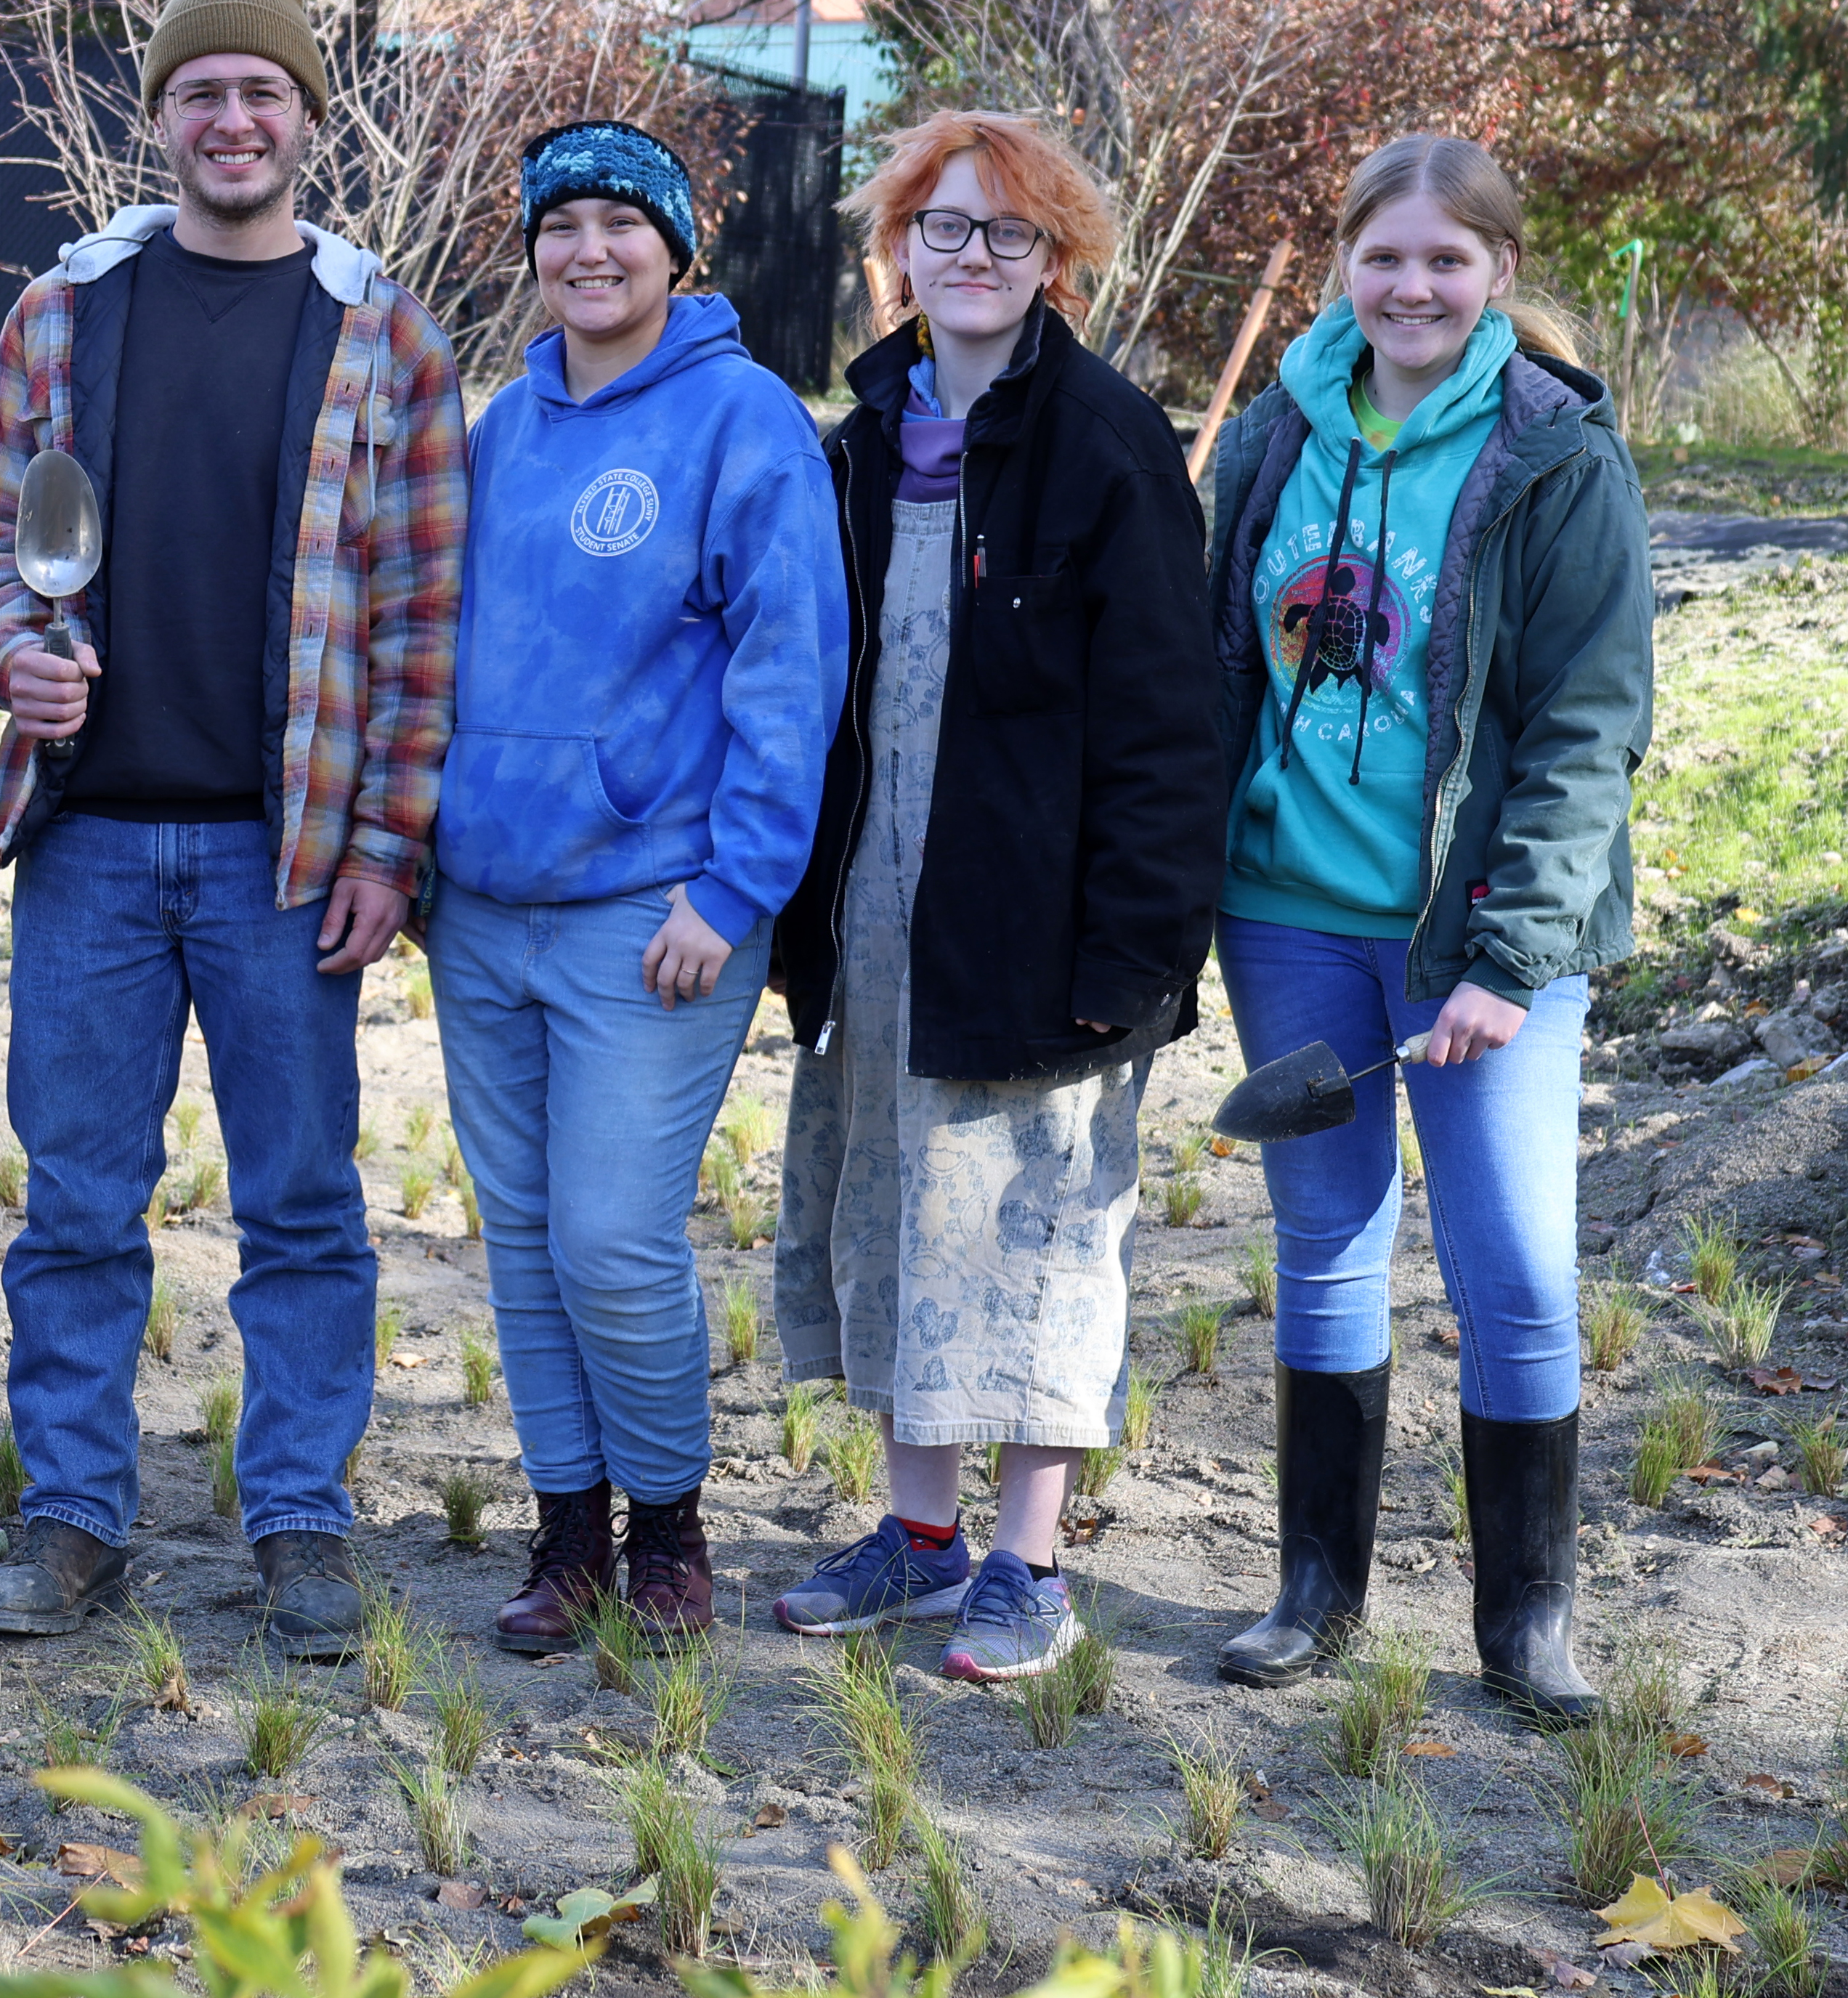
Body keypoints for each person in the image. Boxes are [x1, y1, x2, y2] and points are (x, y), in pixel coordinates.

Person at [0, 0, 468, 1654]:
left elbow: (420, 618)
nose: (233, 122)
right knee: (79, 1203)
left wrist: (390, 842)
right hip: (89, 848)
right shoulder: (70, 312)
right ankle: (79, 1514)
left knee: (302, 1205)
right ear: (161, 119)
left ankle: (301, 1517)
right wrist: (14, 653)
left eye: (265, 95)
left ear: (313, 121)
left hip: (284, 855)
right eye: (202, 94)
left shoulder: (382, 330)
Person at [767, 110, 1223, 1684]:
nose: (971, 258)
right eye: (943, 230)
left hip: (1047, 923)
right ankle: (917, 1538)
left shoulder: (1109, 445)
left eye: (1006, 235)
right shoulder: (861, 436)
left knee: (1035, 1235)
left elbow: (1174, 728)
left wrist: (1133, 951)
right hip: (880, 905)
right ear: (897, 251)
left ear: (1058, 263)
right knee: (891, 1202)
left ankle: (1028, 1564)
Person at [1203, 136, 1649, 1723]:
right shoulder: (1272, 437)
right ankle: (1315, 1590)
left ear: (1499, 278)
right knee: (1326, 1245)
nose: (1413, 287)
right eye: (1385, 257)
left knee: (1518, 1271)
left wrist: (1508, 957)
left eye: (1447, 262)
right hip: (1287, 916)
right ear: (1344, 266)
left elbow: (1589, 726)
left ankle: (1526, 1619)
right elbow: (1212, 672)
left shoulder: (1554, 458)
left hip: (1475, 935)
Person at [430, 122, 845, 1652]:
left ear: (679, 251)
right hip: (482, 906)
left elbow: (792, 677)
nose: (588, 250)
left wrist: (732, 890)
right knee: (527, 1236)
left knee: (613, 1235)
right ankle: (567, 1539)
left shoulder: (745, 423)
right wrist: (426, 858)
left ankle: (669, 1530)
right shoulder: (504, 424)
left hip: (654, 914)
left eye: (622, 223)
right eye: (560, 225)